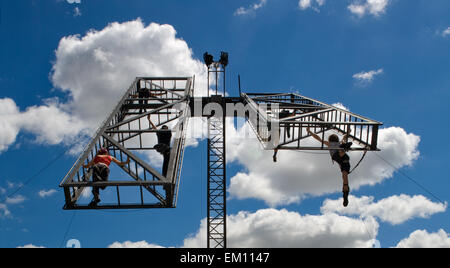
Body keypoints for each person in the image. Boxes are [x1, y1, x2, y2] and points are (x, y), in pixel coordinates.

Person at [307, 127, 353, 207]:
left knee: (344, 174)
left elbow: (318, 138)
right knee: (344, 175)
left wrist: (309, 131)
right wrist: (348, 132)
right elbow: (344, 136)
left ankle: (345, 193)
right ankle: (345, 191)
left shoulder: (329, 143)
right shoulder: (338, 142)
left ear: (330, 139)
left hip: (338, 157)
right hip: (344, 158)